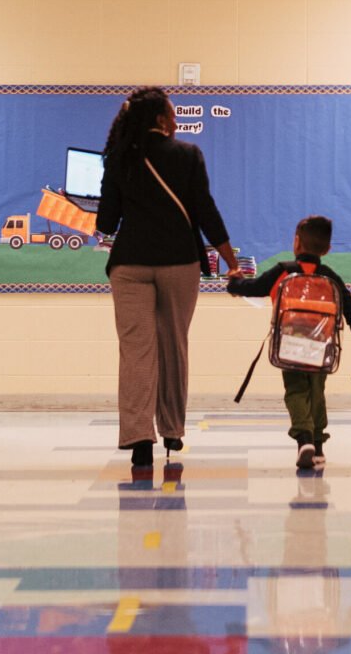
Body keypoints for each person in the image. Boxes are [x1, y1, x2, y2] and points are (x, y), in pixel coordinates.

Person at [97, 86, 240, 468]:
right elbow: (206, 212)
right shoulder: (188, 155)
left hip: (129, 265)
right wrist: (231, 262)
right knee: (174, 345)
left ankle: (139, 439)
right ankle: (172, 430)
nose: (176, 121)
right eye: (173, 114)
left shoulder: (118, 158)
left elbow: (106, 222)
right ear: (161, 119)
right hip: (179, 262)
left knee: (136, 352)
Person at [227, 215, 351, 469]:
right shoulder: (330, 277)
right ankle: (318, 446)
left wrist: (234, 283)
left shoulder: (283, 270)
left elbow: (253, 288)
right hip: (321, 348)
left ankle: (304, 440)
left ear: (296, 242)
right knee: (316, 393)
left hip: (289, 345)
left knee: (296, 391)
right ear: (328, 249)